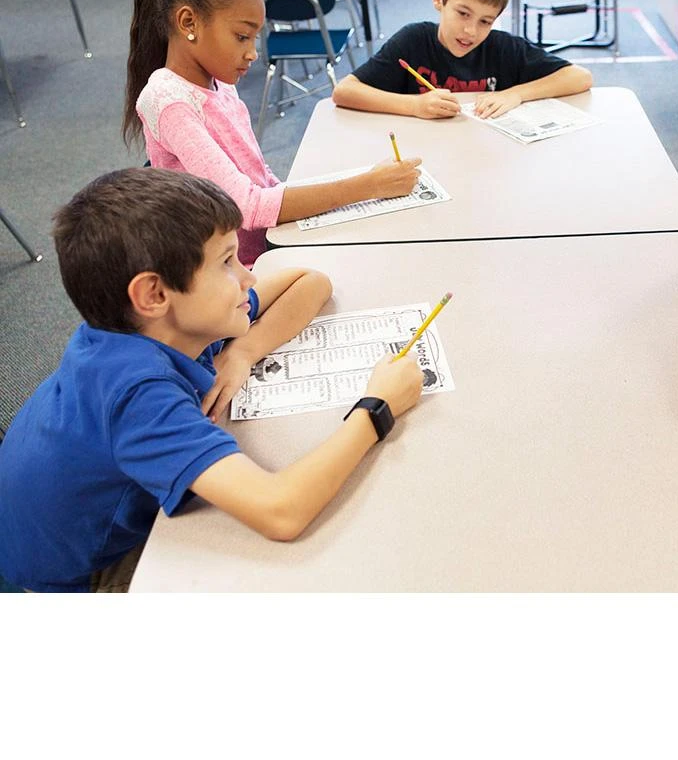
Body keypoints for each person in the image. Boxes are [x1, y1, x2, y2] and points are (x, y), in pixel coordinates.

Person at [0, 169, 423, 592]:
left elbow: (310, 282)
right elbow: (281, 511)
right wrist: (376, 407)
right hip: (80, 574)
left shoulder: (162, 327)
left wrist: (243, 352)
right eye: (226, 262)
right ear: (153, 294)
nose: (248, 277)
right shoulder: (137, 394)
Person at [123, 0, 421, 267]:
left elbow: (260, 177)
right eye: (242, 37)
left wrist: (335, 199)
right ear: (188, 22)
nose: (253, 53)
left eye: (255, 38)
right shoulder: (168, 100)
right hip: (224, 270)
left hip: (264, 246)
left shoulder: (220, 83)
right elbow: (244, 206)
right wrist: (369, 186)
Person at [332, 0, 593, 120]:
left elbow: (579, 77)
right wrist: (414, 106)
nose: (471, 31)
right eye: (463, 13)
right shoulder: (413, 41)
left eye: (485, 21)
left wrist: (515, 94)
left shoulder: (503, 48)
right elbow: (344, 91)